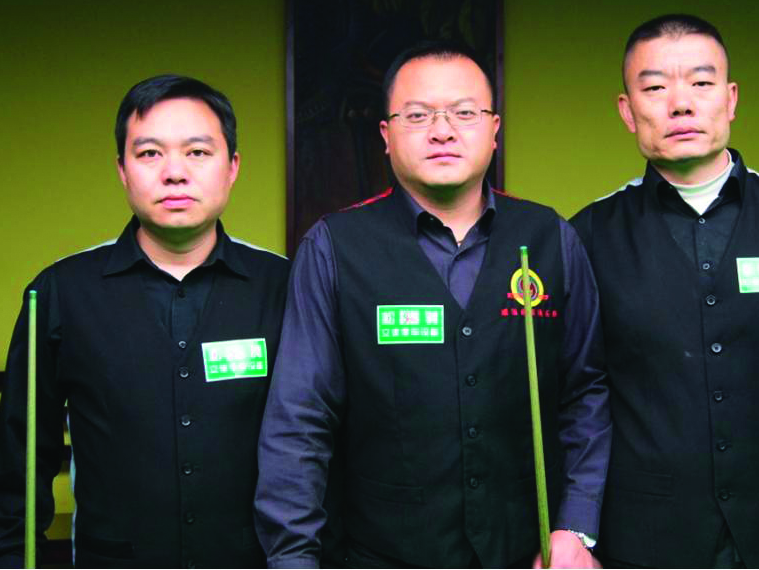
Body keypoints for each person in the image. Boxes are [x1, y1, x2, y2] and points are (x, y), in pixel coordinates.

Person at [254, 43, 611, 568]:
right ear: (386, 135)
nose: (442, 131)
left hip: (526, 556)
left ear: (494, 129)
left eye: (464, 113)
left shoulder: (550, 238)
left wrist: (576, 526)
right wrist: (293, 560)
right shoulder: (334, 247)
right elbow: (300, 419)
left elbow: (586, 393)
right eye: (418, 115)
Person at [570, 14, 759, 569]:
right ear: (627, 110)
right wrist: (575, 531)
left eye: (701, 82)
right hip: (642, 544)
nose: (681, 104)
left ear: (731, 99)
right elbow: (575, 396)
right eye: (655, 88)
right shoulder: (588, 235)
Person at [0, 74, 290, 567]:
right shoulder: (61, 293)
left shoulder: (286, 286)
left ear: (232, 166)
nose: (174, 173)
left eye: (198, 152)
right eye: (149, 153)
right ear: (122, 170)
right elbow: (18, 466)